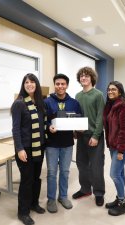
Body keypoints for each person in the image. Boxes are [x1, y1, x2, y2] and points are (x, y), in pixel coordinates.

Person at [11, 73, 47, 225]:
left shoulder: (39, 102)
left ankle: (34, 203)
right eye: (27, 82)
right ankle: (23, 212)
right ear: (23, 85)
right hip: (25, 149)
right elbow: (15, 129)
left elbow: (42, 124)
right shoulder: (19, 103)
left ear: (36, 85)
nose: (30, 84)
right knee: (26, 180)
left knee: (36, 178)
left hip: (39, 147)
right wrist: (19, 149)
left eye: (32, 82)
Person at [44, 74, 81, 213]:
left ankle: (63, 196)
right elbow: (43, 120)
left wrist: (80, 127)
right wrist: (48, 127)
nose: (60, 86)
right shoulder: (47, 101)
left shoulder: (74, 102)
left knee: (65, 172)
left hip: (67, 143)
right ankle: (51, 199)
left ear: (67, 85)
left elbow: (79, 119)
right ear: (54, 85)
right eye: (58, 84)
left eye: (63, 84)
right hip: (52, 144)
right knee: (52, 172)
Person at [72, 66, 106, 207]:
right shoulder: (78, 96)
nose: (83, 78)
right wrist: (74, 130)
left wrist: (96, 135)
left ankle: (99, 192)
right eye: (81, 76)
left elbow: (100, 117)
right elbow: (76, 116)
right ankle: (85, 189)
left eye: (86, 75)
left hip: (94, 136)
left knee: (96, 166)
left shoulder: (98, 95)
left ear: (92, 78)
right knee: (81, 164)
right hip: (81, 136)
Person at [103, 81, 125, 216]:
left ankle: (122, 203)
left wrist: (121, 150)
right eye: (109, 89)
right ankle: (119, 198)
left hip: (123, 145)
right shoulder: (111, 105)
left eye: (114, 90)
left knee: (114, 174)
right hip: (113, 144)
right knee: (120, 173)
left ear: (120, 91)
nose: (110, 92)